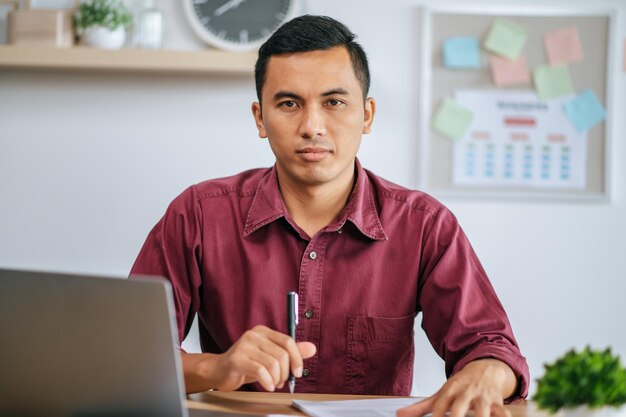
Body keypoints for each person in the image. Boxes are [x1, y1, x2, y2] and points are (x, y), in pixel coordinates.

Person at [130, 14, 529, 417]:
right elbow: (130, 356)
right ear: (259, 118)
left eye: (334, 102)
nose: (312, 126)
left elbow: (493, 349)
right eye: (289, 104)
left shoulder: (425, 225)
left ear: (367, 115)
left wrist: (488, 372)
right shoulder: (198, 215)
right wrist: (217, 367)